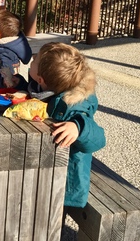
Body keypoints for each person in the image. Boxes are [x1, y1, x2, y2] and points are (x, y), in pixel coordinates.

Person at [28, 42, 106, 209]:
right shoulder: (51, 86)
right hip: (49, 168)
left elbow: (99, 139)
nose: (31, 60)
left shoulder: (74, 105)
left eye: (35, 60)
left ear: (41, 79)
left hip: (66, 182)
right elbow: (37, 94)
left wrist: (78, 127)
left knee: (52, 219)